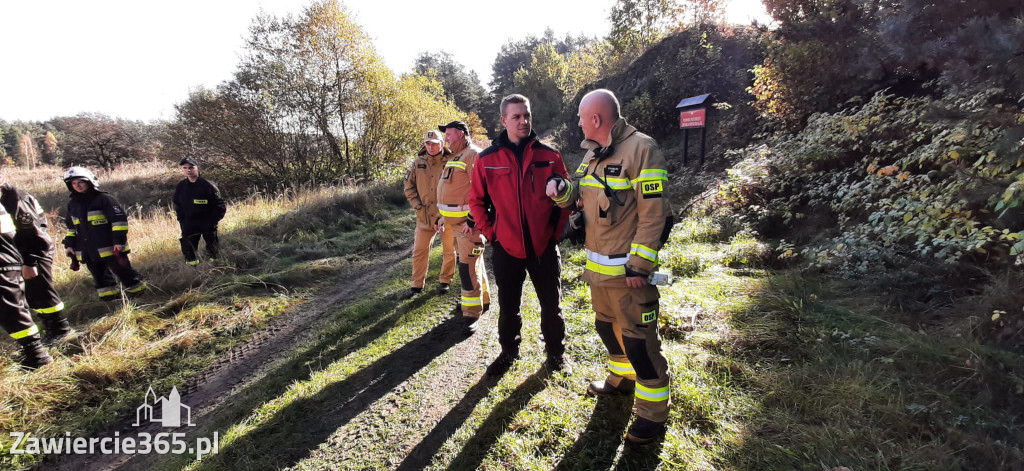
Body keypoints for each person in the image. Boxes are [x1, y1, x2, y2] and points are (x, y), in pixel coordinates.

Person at [546, 89, 673, 444]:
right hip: (598, 273)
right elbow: (580, 197)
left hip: (629, 275)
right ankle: (621, 380)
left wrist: (640, 266)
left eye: (581, 117)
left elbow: (654, 214)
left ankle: (652, 415)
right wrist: (560, 190)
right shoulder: (593, 154)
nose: (578, 122)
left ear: (596, 120)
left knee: (639, 345)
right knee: (607, 329)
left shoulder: (642, 149)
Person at [468, 94, 571, 376]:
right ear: (504, 120)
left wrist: (555, 232)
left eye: (526, 115)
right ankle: (508, 352)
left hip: (544, 248)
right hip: (506, 248)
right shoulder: (487, 159)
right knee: (508, 307)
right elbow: (476, 202)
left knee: (552, 305)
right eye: (516, 116)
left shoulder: (549, 155)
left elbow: (567, 195)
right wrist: (493, 232)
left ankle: (556, 354)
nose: (523, 121)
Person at [0, 174, 73, 346]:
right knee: (34, 296)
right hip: (23, 253)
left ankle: (61, 330)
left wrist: (30, 262)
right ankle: (52, 328)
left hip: (36, 251)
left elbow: (33, 234)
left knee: (42, 294)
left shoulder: (15, 198)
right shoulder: (6, 197)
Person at [436, 120, 491, 335]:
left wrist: (472, 220)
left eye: (448, 134)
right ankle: (483, 299)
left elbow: (483, 191)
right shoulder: (455, 157)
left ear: (460, 134)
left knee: (467, 269)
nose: (446, 139)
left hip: (468, 227)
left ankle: (471, 314)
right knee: (474, 265)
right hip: (454, 225)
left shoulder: (473, 155)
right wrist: (443, 217)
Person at [62, 167, 146, 301]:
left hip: (111, 249)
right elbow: (71, 229)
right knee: (101, 280)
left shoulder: (104, 199)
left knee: (125, 274)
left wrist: (118, 242)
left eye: (80, 182)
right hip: (89, 252)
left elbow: (119, 221)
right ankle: (112, 304)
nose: (77, 185)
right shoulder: (73, 205)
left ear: (89, 181)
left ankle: (142, 299)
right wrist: (69, 245)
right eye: (73, 183)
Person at [0, 201, 53, 369]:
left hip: (3, 263)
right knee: (13, 310)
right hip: (7, 261)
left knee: (11, 311)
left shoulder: (14, 197)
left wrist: (30, 260)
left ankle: (37, 357)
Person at [403, 130, 456, 297]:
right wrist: (418, 206)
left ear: (442, 143)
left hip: (446, 215)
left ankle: (445, 281)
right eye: (428, 143)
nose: (431, 147)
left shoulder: (452, 161)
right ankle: (417, 285)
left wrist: (449, 209)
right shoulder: (418, 163)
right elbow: (408, 186)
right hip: (424, 216)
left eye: (434, 143)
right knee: (419, 250)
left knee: (449, 250)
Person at [173, 157, 227, 266]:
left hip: (207, 223)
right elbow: (177, 204)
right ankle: (193, 269)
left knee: (212, 248)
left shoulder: (208, 185)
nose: (188, 170)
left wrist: (213, 221)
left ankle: (215, 267)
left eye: (191, 167)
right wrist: (181, 220)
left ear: (198, 168)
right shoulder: (181, 186)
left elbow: (220, 206)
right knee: (189, 249)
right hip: (189, 225)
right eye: (185, 168)